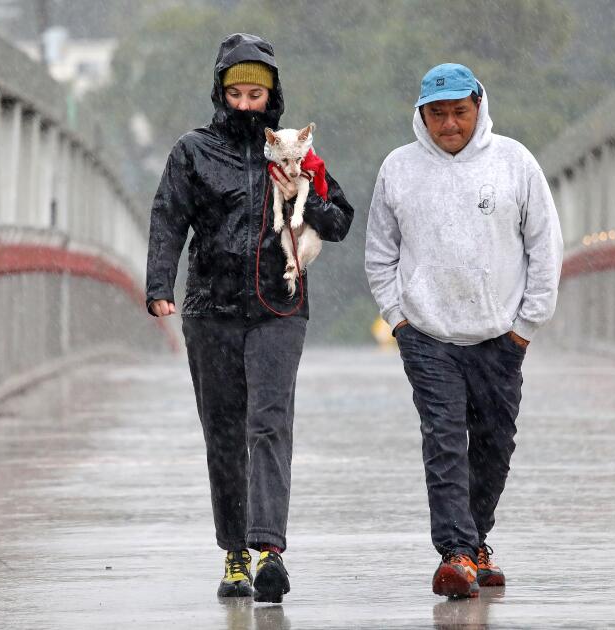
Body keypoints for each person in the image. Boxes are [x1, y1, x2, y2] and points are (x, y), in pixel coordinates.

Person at [144, 33, 355, 603]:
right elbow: (168, 219)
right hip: (209, 309)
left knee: (268, 423)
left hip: (277, 309)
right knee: (223, 432)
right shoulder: (192, 151)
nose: (244, 103)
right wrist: (160, 284)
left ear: (271, 96)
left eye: (254, 94)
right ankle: (234, 552)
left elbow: (338, 222)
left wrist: (305, 188)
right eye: (234, 92)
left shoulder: (294, 151)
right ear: (220, 92)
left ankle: (270, 552)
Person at [364, 63, 563, 599]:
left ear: (479, 107)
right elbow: (380, 253)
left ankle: (476, 543)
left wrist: (526, 325)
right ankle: (454, 553)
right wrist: (398, 319)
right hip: (427, 335)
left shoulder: (514, 162)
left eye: (459, 112)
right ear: (420, 115)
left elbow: (544, 247)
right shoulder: (398, 169)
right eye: (437, 114)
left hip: (501, 335)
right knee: (444, 441)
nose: (449, 125)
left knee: (495, 445)